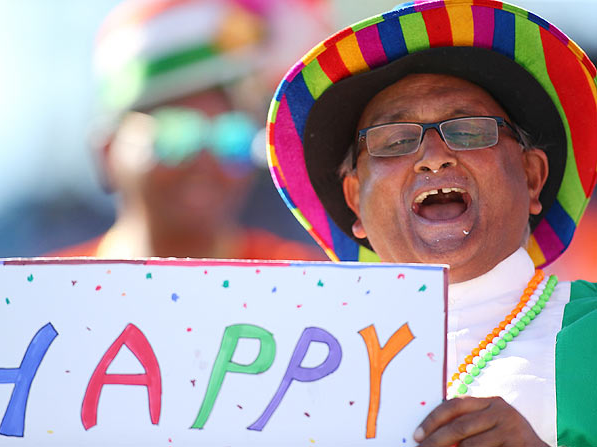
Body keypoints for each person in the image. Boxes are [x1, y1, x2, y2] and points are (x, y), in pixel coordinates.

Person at [266, 0, 597, 445]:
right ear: (354, 202)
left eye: (468, 129)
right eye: (395, 140)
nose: (434, 156)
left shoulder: (588, 331)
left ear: (532, 177)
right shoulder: (285, 357)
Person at [55, 0, 331, 260]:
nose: (205, 161)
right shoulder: (47, 291)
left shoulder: (301, 283)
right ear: (106, 152)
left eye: (231, 137)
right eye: (176, 134)